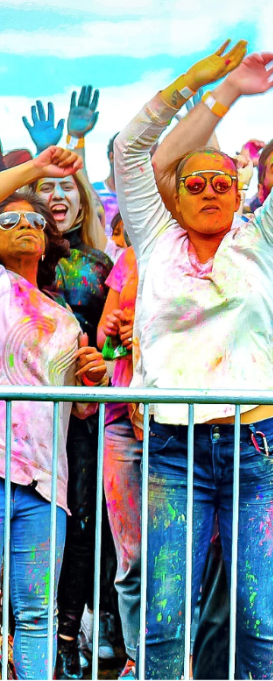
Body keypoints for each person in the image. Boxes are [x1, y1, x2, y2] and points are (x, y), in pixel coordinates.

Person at [113, 26, 273, 678]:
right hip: (172, 450)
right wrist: (207, 83)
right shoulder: (154, 241)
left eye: (221, 183)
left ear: (239, 194)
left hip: (254, 448)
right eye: (195, 183)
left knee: (258, 616)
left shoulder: (260, 241)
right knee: (165, 616)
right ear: (174, 198)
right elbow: (129, 150)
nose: (208, 191)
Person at [0, 146, 106, 680]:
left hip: (45, 484)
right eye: (8, 220)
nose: (24, 226)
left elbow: (80, 408)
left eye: (34, 221)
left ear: (47, 241)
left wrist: (94, 378)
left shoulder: (64, 320)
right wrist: (36, 171)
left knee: (37, 612)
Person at [33, 145, 113, 679]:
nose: (58, 196)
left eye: (68, 188)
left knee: (83, 524)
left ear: (83, 204)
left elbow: (116, 338)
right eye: (47, 187)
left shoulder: (99, 267)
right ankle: (27, 633)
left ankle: (67, 638)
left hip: (83, 418)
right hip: (28, 418)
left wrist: (104, 360)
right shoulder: (15, 267)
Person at [97, 242, 141, 680]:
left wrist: (145, 335)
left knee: (180, 551)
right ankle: (135, 657)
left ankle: (180, 658)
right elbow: (103, 343)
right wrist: (113, 332)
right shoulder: (129, 259)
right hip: (122, 422)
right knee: (130, 555)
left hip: (175, 423)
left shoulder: (207, 250)